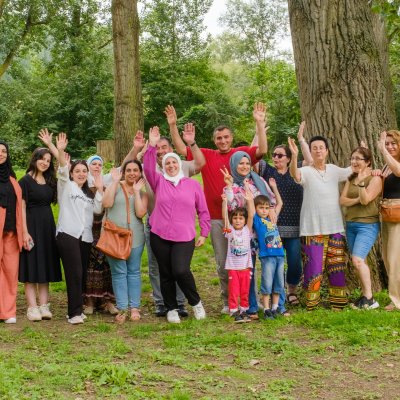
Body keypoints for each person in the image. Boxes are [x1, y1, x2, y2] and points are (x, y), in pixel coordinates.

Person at [169, 103, 267, 314]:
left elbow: (262, 150)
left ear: (231, 138)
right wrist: (173, 126)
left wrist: (259, 124)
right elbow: (181, 149)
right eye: (219, 138)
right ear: (214, 140)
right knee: (223, 262)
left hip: (242, 219)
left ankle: (249, 299)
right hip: (216, 218)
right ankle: (228, 301)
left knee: (246, 260)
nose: (223, 141)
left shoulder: (240, 153)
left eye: (226, 137)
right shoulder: (206, 155)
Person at [135, 114, 206, 317]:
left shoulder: (191, 184)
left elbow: (203, 210)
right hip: (159, 232)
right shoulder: (158, 181)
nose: (171, 165)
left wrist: (204, 232)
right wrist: (151, 145)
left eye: (174, 162)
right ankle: (170, 308)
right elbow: (148, 168)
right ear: (164, 167)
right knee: (164, 272)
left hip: (184, 234)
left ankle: (194, 302)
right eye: (168, 164)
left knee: (180, 270)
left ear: (178, 162)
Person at [288, 135, 350, 310]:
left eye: (321, 147)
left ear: (327, 151)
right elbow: (295, 174)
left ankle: (338, 303)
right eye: (314, 148)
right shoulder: (306, 171)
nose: (318, 151)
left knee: (336, 266)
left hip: (335, 227)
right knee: (313, 268)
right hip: (312, 228)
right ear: (311, 151)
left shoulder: (334, 170)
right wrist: (294, 155)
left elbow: (353, 170)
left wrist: (366, 156)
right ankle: (312, 305)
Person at [49, 133, 104, 324]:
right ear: (72, 173)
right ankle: (74, 314)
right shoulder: (66, 186)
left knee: (81, 275)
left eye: (84, 171)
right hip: (67, 235)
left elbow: (98, 209)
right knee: (74, 273)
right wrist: (59, 150)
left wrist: (99, 189)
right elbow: (62, 168)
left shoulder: (88, 193)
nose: (81, 174)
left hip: (85, 238)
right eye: (77, 171)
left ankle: (77, 309)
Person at [221, 151, 276, 319]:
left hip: (264, 231)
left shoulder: (258, 181)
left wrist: (271, 209)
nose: (245, 166)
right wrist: (229, 187)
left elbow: (270, 200)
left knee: (269, 266)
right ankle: (250, 306)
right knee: (247, 269)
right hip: (245, 233)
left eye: (247, 163)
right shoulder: (230, 185)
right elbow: (231, 207)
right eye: (241, 163)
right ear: (234, 165)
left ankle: (273, 304)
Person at [257, 123, 307, 307]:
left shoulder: (298, 169)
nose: (276, 158)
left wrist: (300, 141)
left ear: (289, 158)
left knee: (294, 262)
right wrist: (259, 132)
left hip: (294, 225)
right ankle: (273, 292)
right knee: (273, 262)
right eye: (274, 155)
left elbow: (310, 161)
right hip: (272, 227)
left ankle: (292, 289)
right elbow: (254, 156)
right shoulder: (267, 170)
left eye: (280, 155)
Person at [18, 142, 62, 322]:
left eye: (48, 160)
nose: (45, 163)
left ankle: (44, 306)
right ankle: (32, 307)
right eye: (42, 159)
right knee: (31, 267)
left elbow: (65, 168)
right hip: (30, 226)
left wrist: (57, 149)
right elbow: (21, 208)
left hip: (47, 227)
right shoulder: (24, 181)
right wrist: (24, 232)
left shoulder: (51, 181)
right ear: (35, 159)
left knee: (45, 266)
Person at [102, 161, 147, 324]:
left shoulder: (143, 193)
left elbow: (140, 213)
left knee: (134, 271)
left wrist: (136, 191)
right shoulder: (115, 186)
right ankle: (122, 308)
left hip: (135, 237)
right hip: (114, 236)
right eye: (128, 170)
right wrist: (114, 182)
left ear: (140, 173)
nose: (132, 173)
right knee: (119, 272)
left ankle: (134, 307)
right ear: (123, 172)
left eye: (135, 170)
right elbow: (106, 203)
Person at [340, 146, 382, 310]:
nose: (354, 161)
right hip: (351, 224)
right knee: (359, 261)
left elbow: (366, 201)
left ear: (368, 162)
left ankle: (370, 299)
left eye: (358, 159)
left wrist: (362, 184)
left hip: (367, 225)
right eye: (352, 158)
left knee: (357, 260)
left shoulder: (375, 178)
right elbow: (342, 201)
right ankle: (365, 296)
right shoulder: (351, 178)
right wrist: (358, 198)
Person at [83, 154, 118, 316]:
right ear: (88, 166)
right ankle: (89, 302)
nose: (97, 166)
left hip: (104, 228)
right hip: (89, 229)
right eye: (94, 164)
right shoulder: (82, 184)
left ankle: (108, 301)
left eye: (99, 164)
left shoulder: (107, 183)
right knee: (90, 266)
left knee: (106, 265)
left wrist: (137, 152)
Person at [222, 185, 254, 323]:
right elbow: (224, 217)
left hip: (245, 268)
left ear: (245, 221)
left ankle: (244, 310)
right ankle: (234, 311)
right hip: (233, 268)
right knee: (234, 290)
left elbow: (251, 215)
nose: (238, 220)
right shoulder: (229, 232)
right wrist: (224, 202)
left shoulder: (247, 230)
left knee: (245, 291)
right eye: (235, 218)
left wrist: (250, 200)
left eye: (241, 218)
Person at [253, 186, 284, 319]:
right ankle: (266, 309)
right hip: (267, 256)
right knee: (267, 282)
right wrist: (249, 195)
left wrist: (274, 188)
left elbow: (280, 203)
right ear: (256, 209)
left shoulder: (273, 217)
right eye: (261, 208)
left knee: (279, 283)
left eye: (266, 207)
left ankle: (275, 307)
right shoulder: (257, 220)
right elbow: (250, 208)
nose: (264, 210)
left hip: (280, 255)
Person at [377, 130, 400, 311]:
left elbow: (398, 171)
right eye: (387, 144)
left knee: (394, 259)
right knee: (388, 257)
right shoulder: (386, 165)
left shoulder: (394, 164)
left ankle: (396, 300)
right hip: (387, 215)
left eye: (393, 143)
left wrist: (383, 150)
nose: (390, 147)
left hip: (398, 216)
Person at [0, 140, 23, 324]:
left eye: (4, 151)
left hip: (12, 232)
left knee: (11, 271)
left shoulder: (12, 179)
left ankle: (8, 312)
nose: (1, 154)